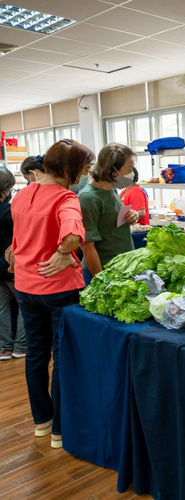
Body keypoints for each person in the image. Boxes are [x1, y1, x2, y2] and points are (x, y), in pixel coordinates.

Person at [11, 138, 95, 449]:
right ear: (70, 170)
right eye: (84, 169)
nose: (86, 174)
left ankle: (42, 422)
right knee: (62, 358)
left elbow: (20, 237)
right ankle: (61, 429)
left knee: (35, 354)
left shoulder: (21, 195)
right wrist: (63, 252)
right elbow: (73, 235)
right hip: (59, 288)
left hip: (26, 286)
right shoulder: (65, 199)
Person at [79, 144, 139, 285]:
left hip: (121, 268)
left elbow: (112, 220)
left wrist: (132, 215)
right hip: (103, 272)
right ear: (113, 170)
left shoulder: (111, 189)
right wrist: (101, 282)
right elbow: (87, 246)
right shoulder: (89, 197)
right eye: (129, 168)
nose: (132, 172)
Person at [0, 167, 26, 360]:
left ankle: (4, 348)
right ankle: (21, 346)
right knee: (24, 305)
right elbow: (22, 234)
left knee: (2, 309)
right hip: (11, 266)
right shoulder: (7, 210)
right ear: (6, 189)